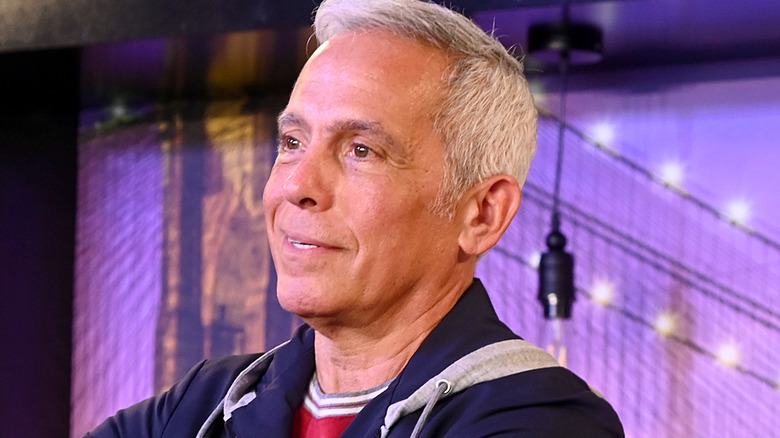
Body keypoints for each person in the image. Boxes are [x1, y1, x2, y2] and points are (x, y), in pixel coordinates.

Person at [87, 0, 624, 436]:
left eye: (361, 150)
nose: (297, 186)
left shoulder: (542, 419)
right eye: (292, 142)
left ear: (482, 214)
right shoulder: (202, 405)